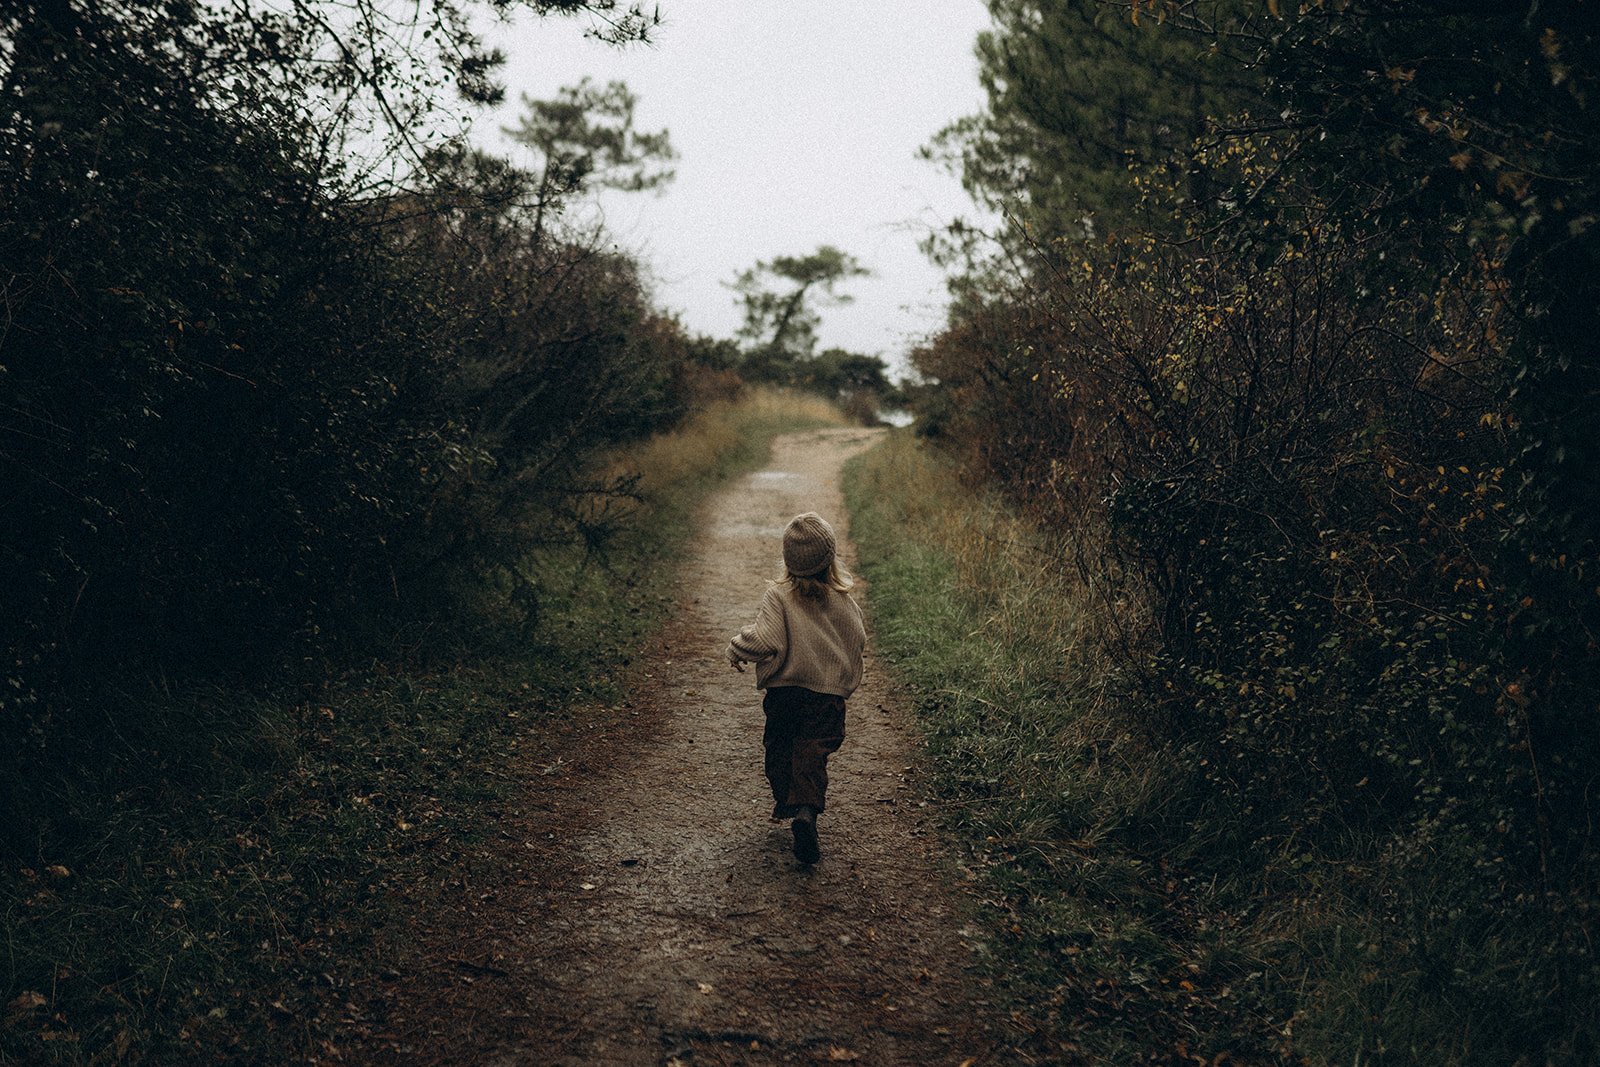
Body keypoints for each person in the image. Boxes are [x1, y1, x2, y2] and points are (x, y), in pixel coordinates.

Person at [726, 512, 866, 864]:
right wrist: (842, 680)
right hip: (825, 697)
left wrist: (736, 648)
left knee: (779, 746)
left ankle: (787, 798)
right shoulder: (843, 601)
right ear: (830, 559)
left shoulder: (779, 596)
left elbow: (764, 639)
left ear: (789, 560)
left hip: (785, 694)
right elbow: (856, 640)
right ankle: (806, 810)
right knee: (812, 753)